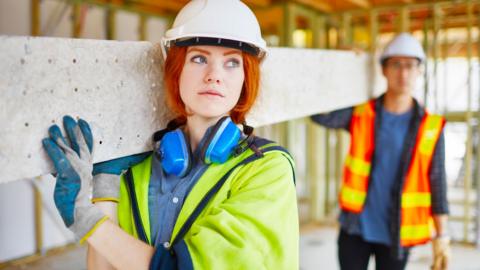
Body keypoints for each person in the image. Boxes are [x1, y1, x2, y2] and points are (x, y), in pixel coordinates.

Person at [41, 0, 299, 269]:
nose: (214, 75)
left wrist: (84, 218)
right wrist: (105, 190)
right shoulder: (137, 169)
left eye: (232, 62)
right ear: (177, 71)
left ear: (247, 78)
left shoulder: (267, 170)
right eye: (199, 58)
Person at [311, 33, 450, 270]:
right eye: (395, 64)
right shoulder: (362, 113)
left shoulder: (431, 126)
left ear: (419, 71)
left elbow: (437, 182)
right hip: (356, 227)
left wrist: (442, 236)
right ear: (384, 70)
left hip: (397, 233)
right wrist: (341, 68)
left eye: (410, 65)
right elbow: (320, 115)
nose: (403, 73)